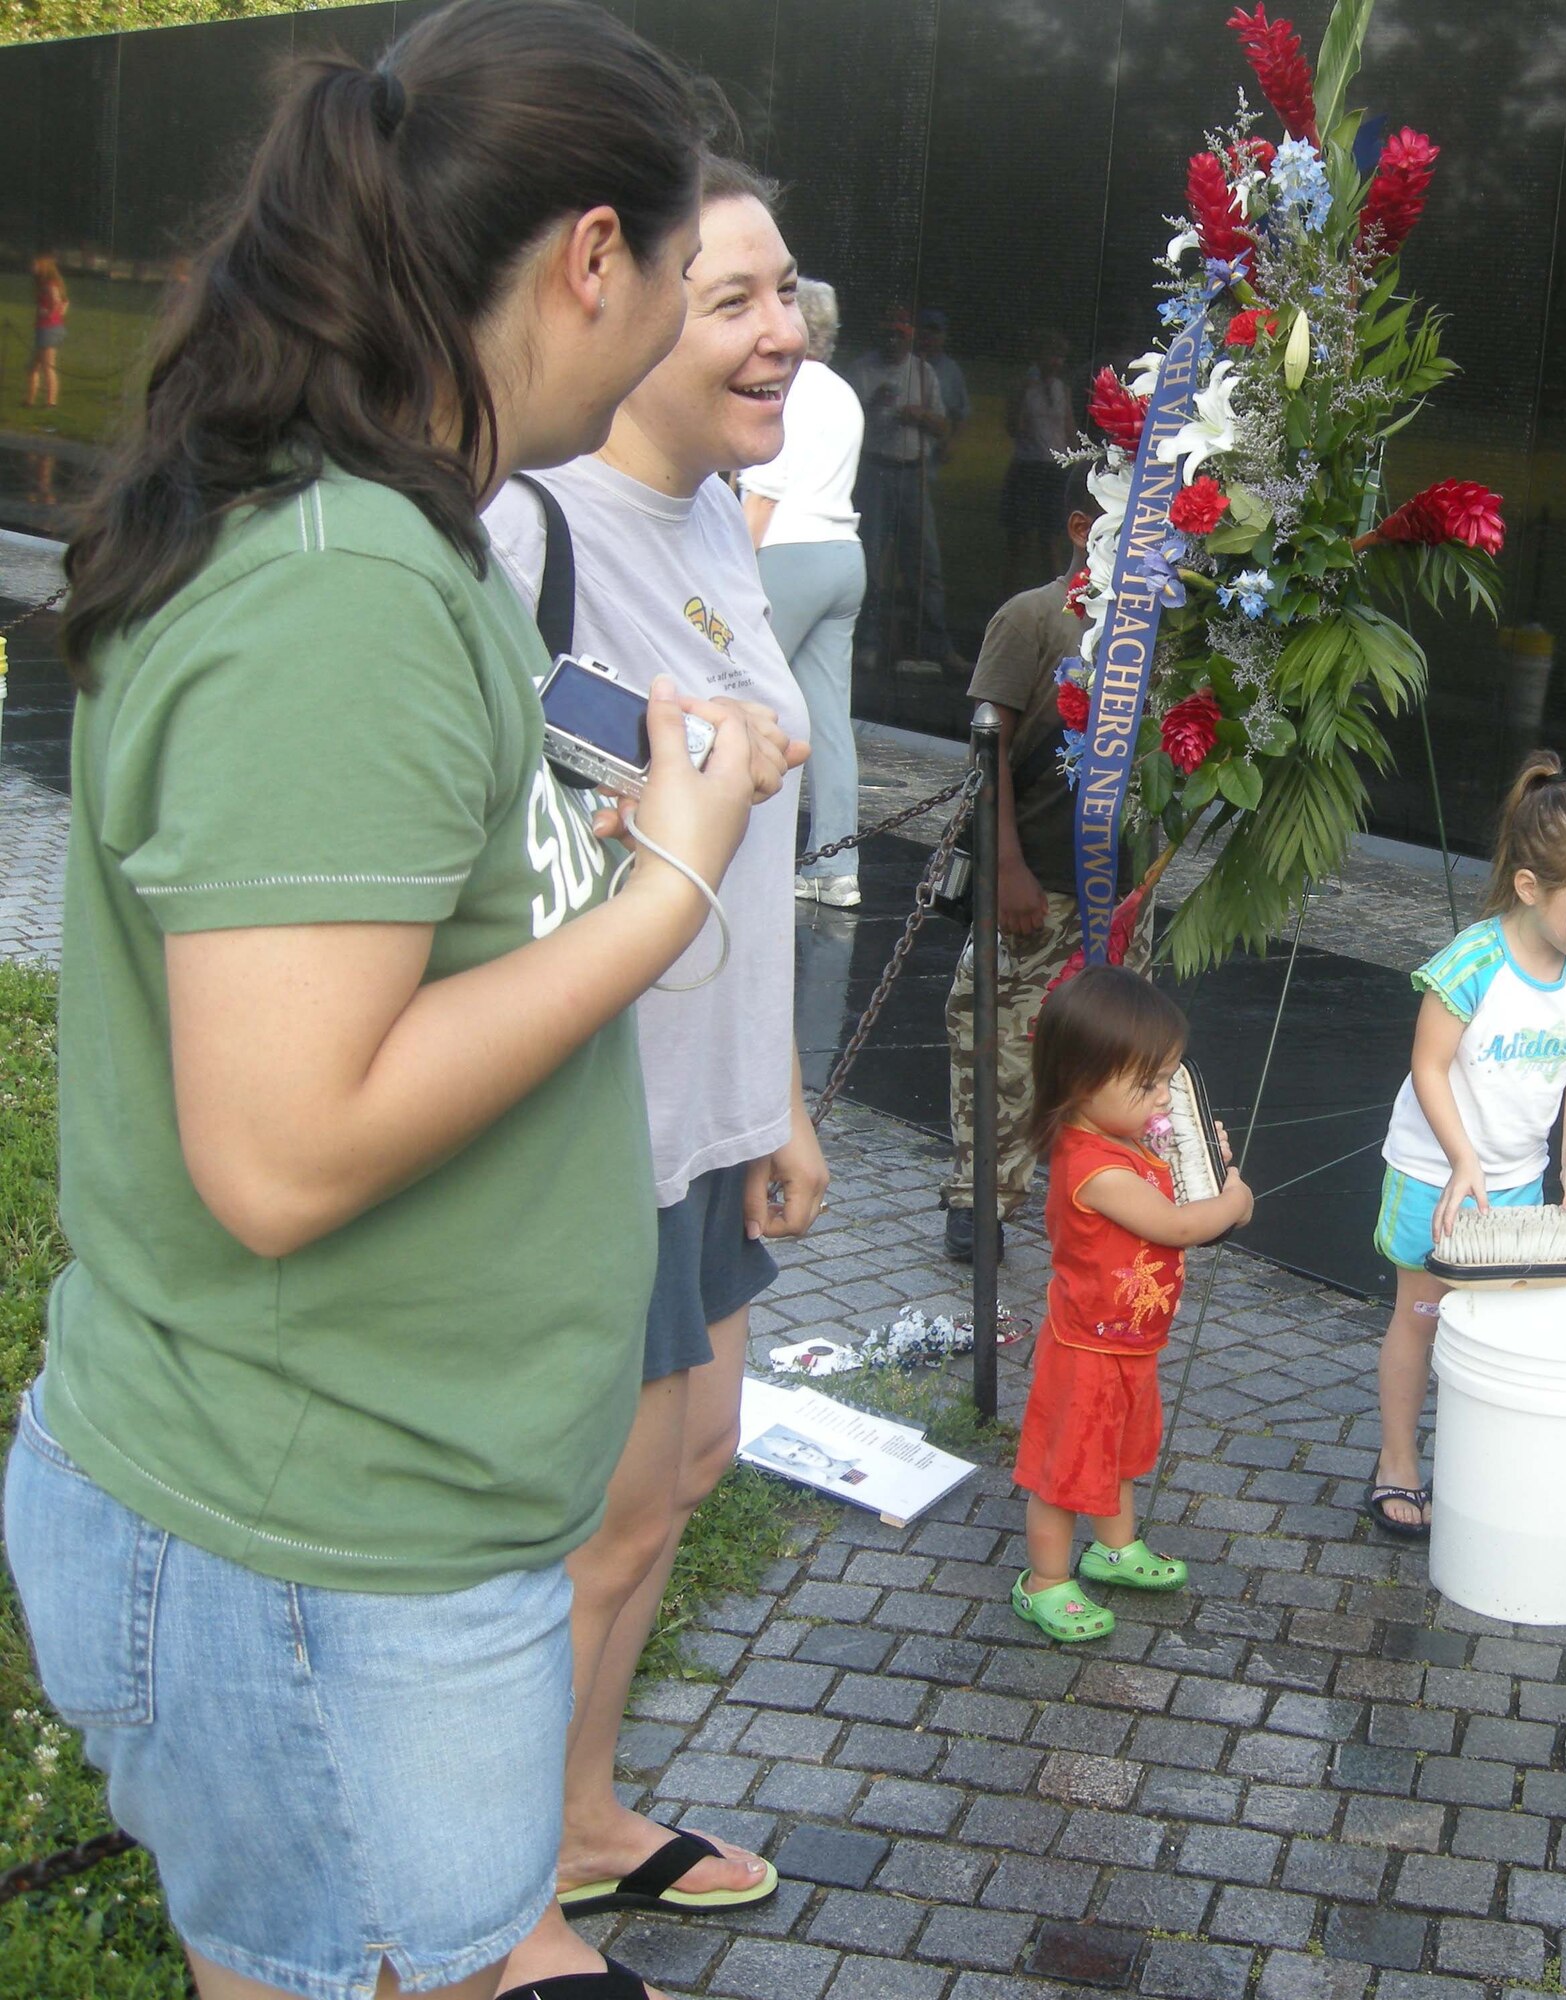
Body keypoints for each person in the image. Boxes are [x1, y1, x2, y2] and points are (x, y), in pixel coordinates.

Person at [1, 10, 795, 2000]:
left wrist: (583, 838)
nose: (697, 328)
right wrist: (669, 883)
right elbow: (284, 1152)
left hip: (371, 1536)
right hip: (318, 1549)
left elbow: (392, 928)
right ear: (592, 258)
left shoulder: (388, 529)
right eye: (688, 277)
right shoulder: (340, 582)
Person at [484, 159, 828, 1954]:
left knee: (686, 1474)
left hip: (707, 1117)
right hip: (588, 1127)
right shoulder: (525, 531)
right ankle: (489, 1905)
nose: (783, 334)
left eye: (790, 294)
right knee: (593, 1529)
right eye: (732, 301)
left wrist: (776, 1101)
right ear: (617, 307)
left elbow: (742, 866)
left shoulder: (709, 521)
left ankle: (583, 1813)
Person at [1369, 751, 1566, 1538]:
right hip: (1432, 1176)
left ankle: (1481, 1467)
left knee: (1498, 1328)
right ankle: (1398, 1461)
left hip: (1519, 1184)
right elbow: (1429, 1065)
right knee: (1422, 1315)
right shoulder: (1472, 963)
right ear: (1530, 887)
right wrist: (1463, 1160)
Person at [1012, 966, 1253, 1642]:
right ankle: (1044, 1582)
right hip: (1086, 1350)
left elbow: (1172, 1175)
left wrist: (1206, 1160)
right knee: (1067, 1470)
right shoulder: (1094, 1167)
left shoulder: (1122, 1136)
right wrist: (1233, 1200)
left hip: (1129, 1341)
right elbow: (1175, 1225)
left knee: (1119, 1451)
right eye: (1147, 1085)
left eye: (1166, 1080)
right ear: (1081, 1081)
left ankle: (1114, 1549)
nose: (1162, 1099)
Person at [942, 461, 1093, 1263]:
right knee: (997, 1040)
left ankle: (1093, 1200)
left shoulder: (1163, 632)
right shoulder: (1033, 617)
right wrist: (1005, 867)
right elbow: (988, 745)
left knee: (1101, 1052)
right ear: (1081, 528)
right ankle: (981, 1197)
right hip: (1036, 875)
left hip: (1113, 889)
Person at [739, 277, 867, 909]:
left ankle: (734, 859)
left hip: (787, 552)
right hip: (844, 554)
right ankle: (835, 869)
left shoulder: (782, 389)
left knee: (742, 695)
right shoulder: (843, 391)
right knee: (830, 721)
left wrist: (731, 569)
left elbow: (764, 492)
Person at [850, 306, 952, 672]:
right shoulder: (862, 370)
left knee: (924, 563)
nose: (893, 341)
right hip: (875, 470)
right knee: (870, 561)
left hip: (913, 472)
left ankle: (933, 647)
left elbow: (943, 427)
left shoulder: (922, 372)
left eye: (900, 334)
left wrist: (921, 416)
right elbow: (845, 425)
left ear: (910, 337)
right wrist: (870, 405)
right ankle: (867, 644)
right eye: (888, 334)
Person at [1001, 329, 1075, 592]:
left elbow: (1069, 428)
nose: (1055, 362)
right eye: (1051, 355)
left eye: (1060, 357)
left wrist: (1076, 461)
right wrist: (1024, 396)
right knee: (1019, 540)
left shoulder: (1062, 389)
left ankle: (1055, 600)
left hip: (1054, 470)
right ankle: (1009, 597)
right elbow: (1013, 427)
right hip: (1027, 467)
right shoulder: (1022, 387)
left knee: (1051, 539)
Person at [915, 306, 969, 469]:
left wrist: (952, 443)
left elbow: (961, 414)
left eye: (934, 330)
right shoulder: (902, 362)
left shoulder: (951, 370)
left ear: (944, 335)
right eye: (923, 328)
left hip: (931, 455)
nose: (927, 334)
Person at [23, 253, 67, 409]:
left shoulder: (50, 284)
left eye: (35, 265)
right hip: (44, 329)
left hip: (49, 329)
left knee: (48, 367)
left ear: (43, 267)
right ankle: (30, 400)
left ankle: (51, 402)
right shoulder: (43, 283)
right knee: (32, 367)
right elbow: (65, 302)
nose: (32, 267)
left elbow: (58, 302)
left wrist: (48, 313)